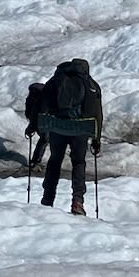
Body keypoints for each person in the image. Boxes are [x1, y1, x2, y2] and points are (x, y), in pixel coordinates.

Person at [36, 57, 102, 216]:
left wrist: (39, 128)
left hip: (57, 127)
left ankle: (47, 198)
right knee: (78, 163)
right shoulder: (91, 85)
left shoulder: (57, 80)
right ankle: (77, 201)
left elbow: (43, 105)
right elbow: (97, 113)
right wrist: (96, 138)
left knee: (55, 160)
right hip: (80, 130)